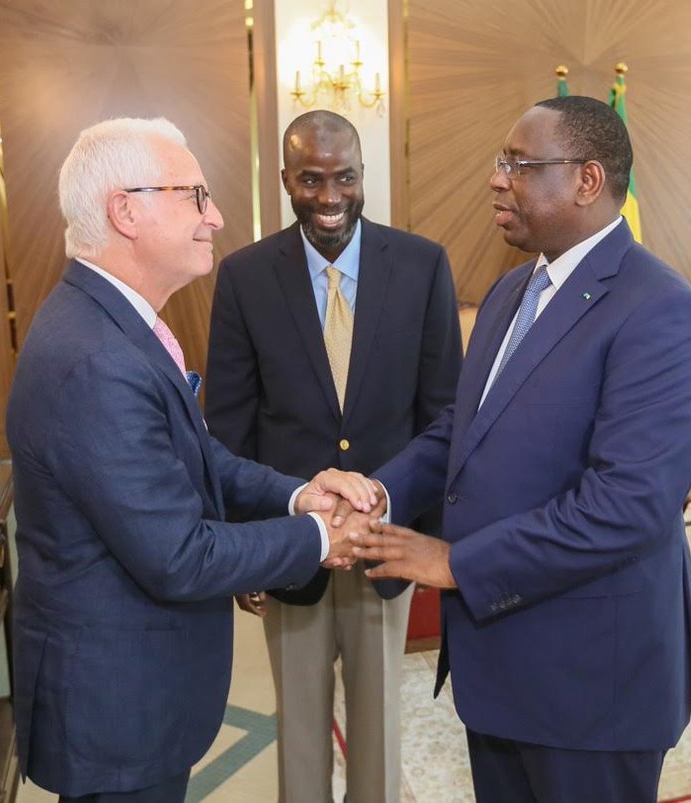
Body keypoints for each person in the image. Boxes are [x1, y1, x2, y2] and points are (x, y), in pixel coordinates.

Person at [348, 95, 691, 802]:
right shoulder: (508, 292)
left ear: (587, 180)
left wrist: (454, 562)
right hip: (498, 667)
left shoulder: (663, 312)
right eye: (502, 162)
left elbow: (626, 507)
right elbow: (463, 429)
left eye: (519, 164)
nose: (497, 179)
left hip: (592, 685)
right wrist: (378, 492)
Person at [6, 117, 379, 803]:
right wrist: (322, 536)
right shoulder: (97, 359)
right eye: (195, 196)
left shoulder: (115, 323)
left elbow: (195, 454)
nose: (217, 217)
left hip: (135, 690)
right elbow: (180, 556)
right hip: (117, 709)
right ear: (126, 211)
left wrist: (296, 494)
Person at [205, 110, 461, 802]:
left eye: (344, 178)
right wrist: (245, 545)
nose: (329, 196)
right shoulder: (245, 276)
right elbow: (228, 428)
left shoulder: (422, 266)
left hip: (387, 542)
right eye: (311, 179)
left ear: (363, 175)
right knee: (300, 730)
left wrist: (430, 535)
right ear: (285, 179)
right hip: (291, 545)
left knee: (379, 731)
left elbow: (443, 414)